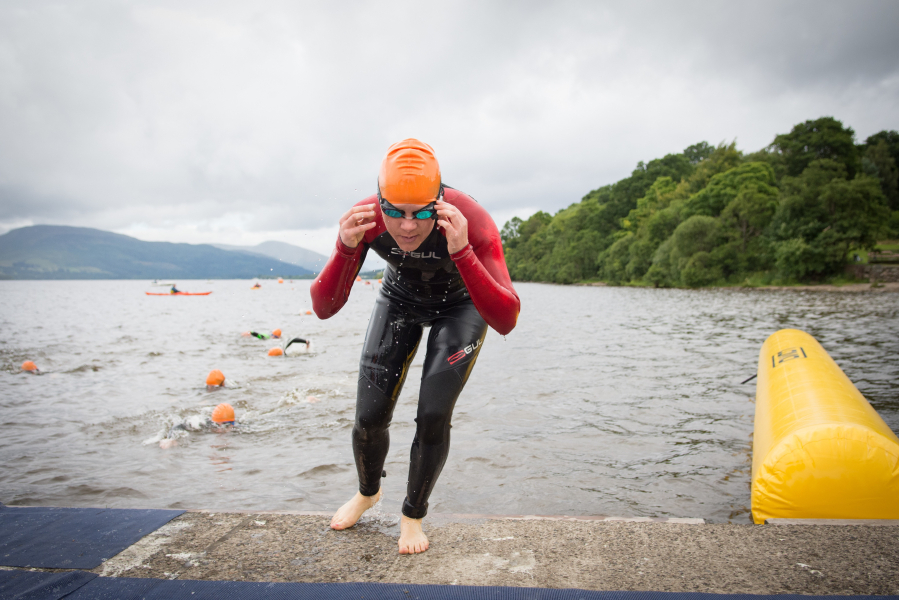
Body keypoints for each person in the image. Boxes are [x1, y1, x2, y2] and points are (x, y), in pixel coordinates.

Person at [310, 138, 519, 554]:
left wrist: (461, 252)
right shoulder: (365, 219)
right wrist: (344, 247)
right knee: (369, 417)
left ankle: (413, 514)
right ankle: (368, 493)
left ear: (439, 201)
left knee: (433, 413)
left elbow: (507, 318)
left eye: (421, 213)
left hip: (461, 304)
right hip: (399, 301)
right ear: (381, 203)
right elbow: (324, 308)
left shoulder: (471, 221)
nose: (407, 226)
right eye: (396, 213)